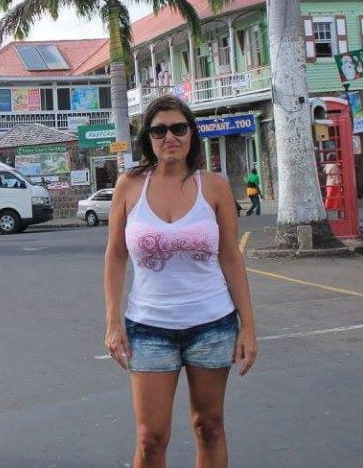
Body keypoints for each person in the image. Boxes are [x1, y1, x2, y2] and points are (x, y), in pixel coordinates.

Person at [103, 94, 258, 467]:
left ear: (191, 134)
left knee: (209, 426)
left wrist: (248, 327)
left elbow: (230, 256)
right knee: (150, 437)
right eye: (158, 130)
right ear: (148, 139)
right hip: (149, 327)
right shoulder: (129, 185)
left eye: (178, 128)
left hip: (212, 325)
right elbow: (114, 255)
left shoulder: (215, 186)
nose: (169, 137)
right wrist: (112, 323)